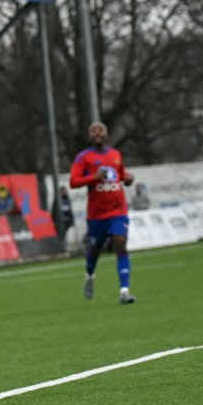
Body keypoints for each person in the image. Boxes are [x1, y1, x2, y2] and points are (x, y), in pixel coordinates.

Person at [69, 121, 136, 304]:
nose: (97, 134)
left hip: (118, 211)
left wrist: (128, 179)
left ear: (107, 134)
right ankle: (90, 276)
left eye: (101, 131)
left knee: (120, 243)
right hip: (97, 215)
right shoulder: (84, 158)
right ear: (89, 136)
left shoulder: (115, 154)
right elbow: (73, 181)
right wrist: (94, 178)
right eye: (93, 131)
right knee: (94, 251)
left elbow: (121, 175)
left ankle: (124, 290)